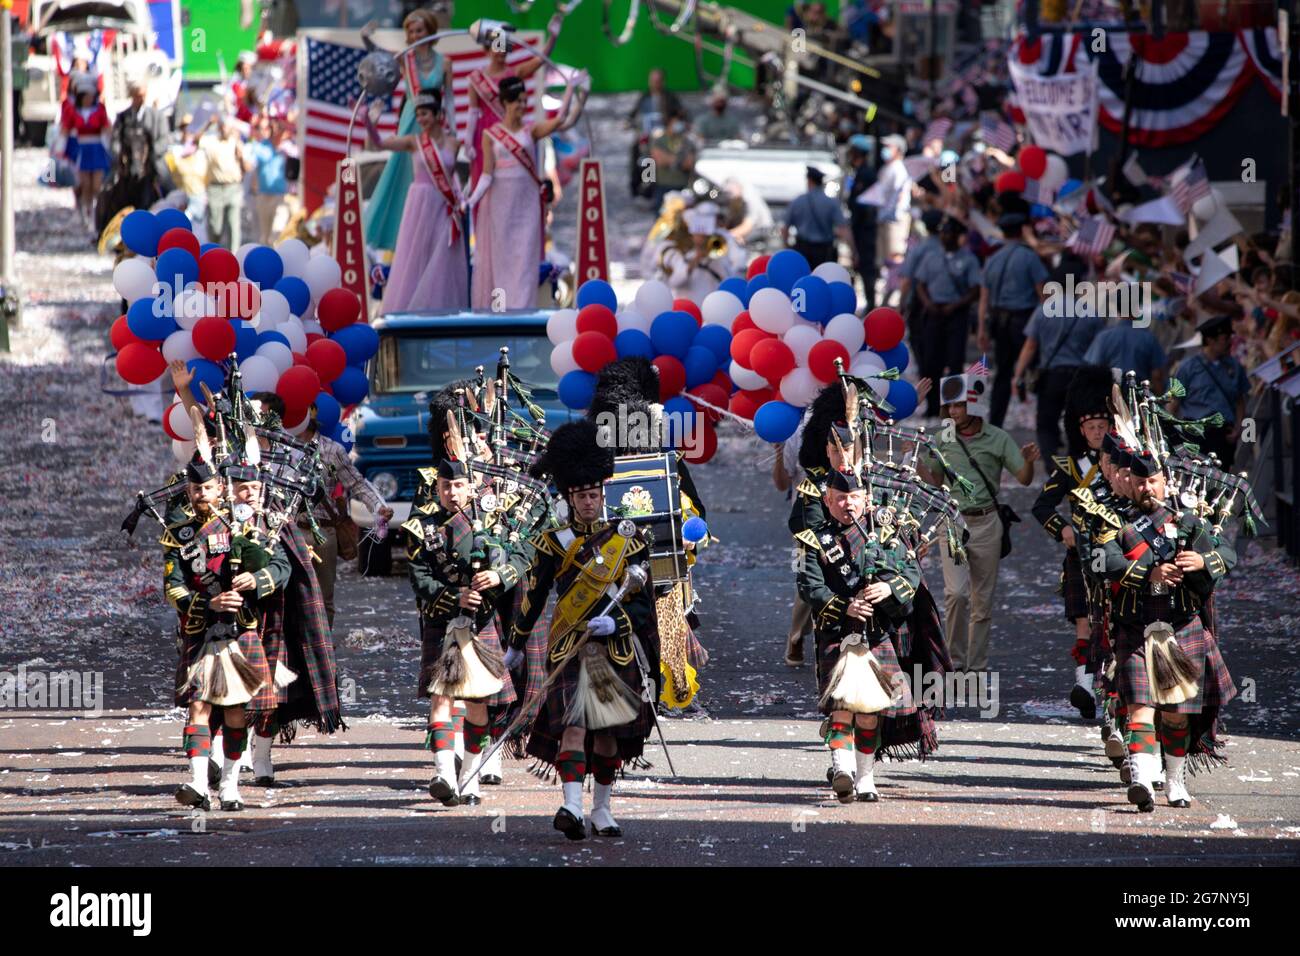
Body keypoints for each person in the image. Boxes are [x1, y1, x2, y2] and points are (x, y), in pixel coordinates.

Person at [510, 421, 659, 840]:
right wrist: (517, 644)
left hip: (614, 648)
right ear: (569, 498)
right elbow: (533, 597)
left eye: (594, 495)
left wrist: (617, 621)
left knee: (608, 733)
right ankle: (570, 806)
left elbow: (645, 604)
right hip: (570, 646)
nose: (589, 503)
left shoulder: (628, 541)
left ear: (602, 494)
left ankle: (601, 809)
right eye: (581, 496)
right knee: (574, 725)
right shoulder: (553, 542)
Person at [1099, 450, 1238, 812]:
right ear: (1130, 482)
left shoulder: (1190, 523)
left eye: (1153, 481)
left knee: (1176, 714)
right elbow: (1103, 561)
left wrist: (1202, 560)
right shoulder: (1113, 521)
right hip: (1136, 628)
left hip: (1180, 627)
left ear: (1164, 482)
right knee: (1141, 707)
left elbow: (1228, 554)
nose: (1147, 487)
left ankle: (1174, 781)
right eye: (1141, 481)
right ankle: (1143, 780)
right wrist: (1150, 574)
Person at [404, 457, 527, 807]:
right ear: (437, 488)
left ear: (470, 487)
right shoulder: (420, 526)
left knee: (477, 703)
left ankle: (469, 777)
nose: (452, 492)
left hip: (481, 619)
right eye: (445, 486)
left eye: (458, 485)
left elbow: (522, 555)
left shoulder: (493, 522)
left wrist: (499, 576)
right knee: (441, 696)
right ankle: (443, 773)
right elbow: (419, 578)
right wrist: (452, 595)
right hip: (442, 621)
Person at [793, 468, 921, 803]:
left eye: (853, 497)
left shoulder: (887, 534)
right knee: (842, 706)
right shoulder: (811, 539)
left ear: (865, 499)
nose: (847, 504)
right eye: (839, 498)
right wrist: (844, 607)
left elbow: (913, 573)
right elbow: (809, 586)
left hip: (876, 633)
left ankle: (865, 780)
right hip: (838, 631)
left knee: (868, 712)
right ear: (827, 500)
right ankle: (842, 770)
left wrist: (888, 587)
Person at [163, 457, 282, 813]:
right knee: (198, 706)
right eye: (197, 489)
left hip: (238, 628)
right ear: (189, 491)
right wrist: (207, 602)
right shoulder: (178, 534)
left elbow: (264, 566)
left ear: (220, 489)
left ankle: (229, 786)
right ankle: (199, 784)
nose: (203, 494)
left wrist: (250, 546)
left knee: (234, 712)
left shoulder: (239, 526)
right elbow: (173, 588)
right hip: (202, 629)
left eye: (209, 488)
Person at [916, 372, 1038, 672]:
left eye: (959, 405)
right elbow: (932, 481)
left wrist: (1029, 460)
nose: (954, 412)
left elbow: (1023, 479)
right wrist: (918, 461)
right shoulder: (943, 436)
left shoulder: (997, 438)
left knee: (982, 602)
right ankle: (955, 661)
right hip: (953, 521)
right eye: (950, 407)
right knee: (955, 594)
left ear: (974, 405)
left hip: (987, 523)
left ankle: (977, 665)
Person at [1029, 366, 1114, 720]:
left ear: (1111, 427)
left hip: (1116, 553)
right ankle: (1084, 684)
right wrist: (1061, 529)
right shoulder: (1068, 467)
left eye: (1102, 427)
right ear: (1080, 429)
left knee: (1108, 621)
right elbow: (1042, 505)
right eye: (1090, 427)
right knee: (1083, 619)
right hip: (1079, 553)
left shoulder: (1122, 462)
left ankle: (1106, 685)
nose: (1096, 433)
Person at [467, 74, 581, 311]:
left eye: (523, 100)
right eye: (516, 100)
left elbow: (560, 119)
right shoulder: (490, 135)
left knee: (526, 257)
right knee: (503, 258)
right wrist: (471, 200)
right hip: (500, 204)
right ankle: (503, 311)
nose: (520, 105)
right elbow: (487, 174)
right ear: (505, 103)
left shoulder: (532, 130)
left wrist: (570, 88)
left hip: (527, 203)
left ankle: (524, 310)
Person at [360, 9, 454, 253]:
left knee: (432, 176)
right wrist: (367, 38)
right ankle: (398, 233)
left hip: (434, 123)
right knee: (402, 173)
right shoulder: (406, 59)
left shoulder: (445, 63)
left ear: (430, 32)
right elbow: (378, 59)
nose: (414, 35)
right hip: (410, 120)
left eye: (419, 30)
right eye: (410, 31)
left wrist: (452, 127)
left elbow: (450, 99)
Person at [366, 89, 467, 313]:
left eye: (425, 114)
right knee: (415, 255)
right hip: (419, 205)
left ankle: (441, 309)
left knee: (442, 257)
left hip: (443, 205)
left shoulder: (454, 143)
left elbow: (456, 177)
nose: (420, 119)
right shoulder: (414, 142)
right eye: (418, 114)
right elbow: (378, 144)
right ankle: (412, 309)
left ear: (438, 114)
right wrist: (369, 120)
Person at [300, 405, 393, 629]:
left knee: (323, 598)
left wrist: (378, 507)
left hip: (321, 532)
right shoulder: (280, 446)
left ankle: (322, 651)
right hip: (288, 531)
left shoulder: (332, 450)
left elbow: (356, 483)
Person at [1013, 256, 1104, 461]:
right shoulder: (1091, 313)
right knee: (1076, 420)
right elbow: (1098, 350)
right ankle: (1076, 460)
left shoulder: (1043, 310)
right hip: (1081, 377)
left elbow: (1030, 345)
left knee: (1046, 421)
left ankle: (1051, 461)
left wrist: (1018, 374)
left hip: (1052, 375)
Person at [466, 10, 565, 188]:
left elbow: (540, 60)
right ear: (487, 51)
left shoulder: (515, 72)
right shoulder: (476, 78)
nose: (501, 53)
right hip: (485, 134)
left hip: (511, 130)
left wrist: (553, 37)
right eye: (497, 48)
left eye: (504, 48)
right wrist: (468, 142)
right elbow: (473, 112)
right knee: (485, 179)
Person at [977, 197, 1049, 427]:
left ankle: (996, 420)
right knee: (1036, 367)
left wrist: (981, 328)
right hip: (1024, 320)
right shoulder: (1030, 257)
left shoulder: (992, 259)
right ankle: (1041, 417)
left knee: (1002, 371)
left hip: (999, 321)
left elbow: (984, 299)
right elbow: (1043, 295)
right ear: (1021, 230)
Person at [912, 217, 981, 418]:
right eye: (942, 232)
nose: (944, 236)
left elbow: (975, 289)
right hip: (934, 314)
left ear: (957, 236)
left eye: (949, 232)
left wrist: (955, 305)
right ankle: (932, 406)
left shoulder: (968, 259)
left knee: (955, 363)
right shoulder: (931, 257)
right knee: (931, 362)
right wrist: (928, 303)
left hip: (956, 316)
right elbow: (920, 284)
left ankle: (954, 409)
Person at [1169, 315, 1250, 469]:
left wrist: (1238, 428)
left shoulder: (1234, 366)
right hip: (1195, 433)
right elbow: (1173, 403)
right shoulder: (1188, 367)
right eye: (1225, 338)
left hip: (1222, 434)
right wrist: (1173, 434)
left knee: (1221, 479)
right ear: (1211, 340)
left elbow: (1240, 400)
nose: (1229, 342)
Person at [101, 77, 172, 231]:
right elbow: (115, 140)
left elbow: (165, 140)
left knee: (168, 189)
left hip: (150, 162)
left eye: (142, 95)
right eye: (137, 95)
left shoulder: (156, 116)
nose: (140, 98)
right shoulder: (123, 116)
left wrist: (152, 153)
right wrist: (119, 154)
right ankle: (105, 225)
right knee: (107, 189)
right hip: (128, 163)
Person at [658, 201, 734, 304]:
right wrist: (694, 261)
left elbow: (727, 279)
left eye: (705, 236)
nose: (701, 238)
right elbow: (674, 282)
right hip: (690, 308)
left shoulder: (717, 257)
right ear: (692, 236)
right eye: (698, 235)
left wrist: (713, 259)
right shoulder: (686, 257)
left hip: (711, 307)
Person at [61, 75, 111, 232]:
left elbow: (107, 128)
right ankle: (86, 212)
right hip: (82, 149)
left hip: (96, 148)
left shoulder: (99, 110)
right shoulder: (73, 111)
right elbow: (65, 130)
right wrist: (61, 149)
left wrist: (109, 144)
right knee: (85, 185)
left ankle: (96, 213)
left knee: (97, 185)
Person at [1082, 313, 1168, 396]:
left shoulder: (1104, 336)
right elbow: (1157, 375)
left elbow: (1093, 369)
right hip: (1138, 396)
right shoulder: (1148, 338)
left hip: (1110, 395)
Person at [783, 166, 850, 269]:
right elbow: (843, 229)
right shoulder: (831, 203)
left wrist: (787, 247)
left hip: (802, 249)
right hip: (824, 251)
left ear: (809, 181)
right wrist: (853, 251)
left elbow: (785, 228)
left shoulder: (798, 201)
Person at [204, 115, 254, 250]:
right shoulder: (212, 141)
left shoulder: (236, 143)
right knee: (216, 226)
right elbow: (196, 141)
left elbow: (247, 167)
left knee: (233, 224)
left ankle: (234, 256)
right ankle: (213, 251)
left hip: (233, 187)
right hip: (216, 188)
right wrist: (207, 124)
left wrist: (241, 155)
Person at [872, 134, 913, 286]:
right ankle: (887, 286)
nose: (886, 149)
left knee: (895, 255)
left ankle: (896, 288)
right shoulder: (886, 168)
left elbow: (898, 195)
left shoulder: (899, 169)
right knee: (884, 256)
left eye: (889, 146)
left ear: (898, 149)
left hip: (895, 218)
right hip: (883, 216)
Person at [249, 115, 295, 245]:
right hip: (264, 196)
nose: (276, 131)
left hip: (281, 197)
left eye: (279, 128)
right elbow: (253, 162)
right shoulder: (261, 146)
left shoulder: (289, 148)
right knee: (265, 236)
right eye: (273, 128)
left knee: (277, 233)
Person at [844, 135, 879, 310]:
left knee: (866, 267)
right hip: (859, 227)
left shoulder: (866, 174)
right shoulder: (858, 173)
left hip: (865, 228)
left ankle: (870, 303)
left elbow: (864, 205)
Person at [648, 110, 696, 207]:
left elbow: (689, 164)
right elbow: (660, 161)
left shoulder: (687, 141)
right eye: (675, 122)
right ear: (669, 123)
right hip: (663, 186)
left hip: (683, 186)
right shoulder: (660, 141)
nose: (678, 125)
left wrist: (670, 158)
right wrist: (680, 160)